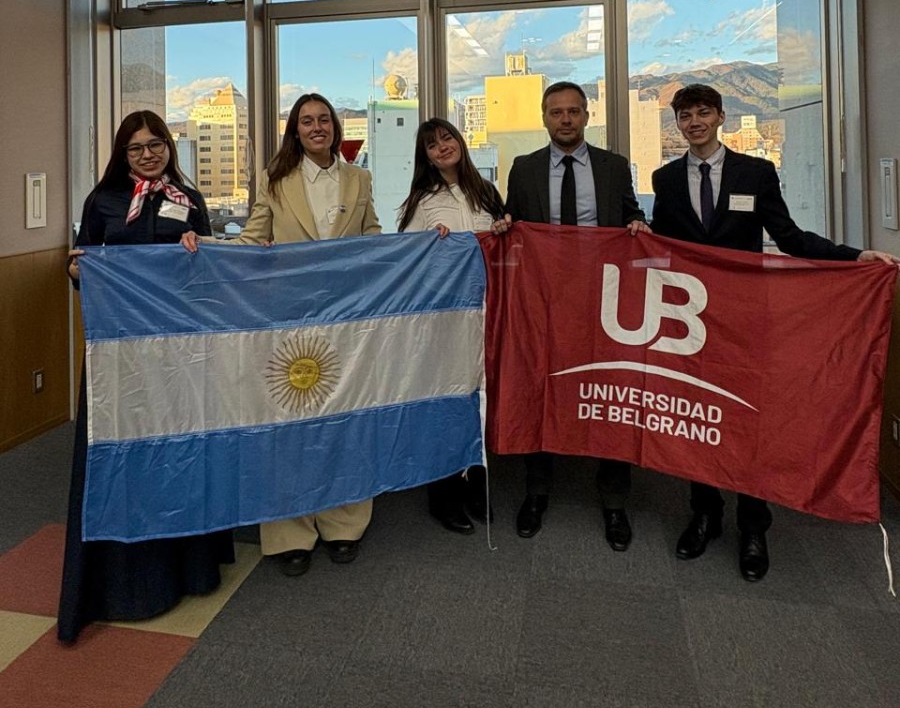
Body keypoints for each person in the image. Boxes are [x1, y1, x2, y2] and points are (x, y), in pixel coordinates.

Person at [651, 83, 900, 582]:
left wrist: (855, 256)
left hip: (745, 320)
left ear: (720, 116)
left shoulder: (755, 173)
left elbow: (788, 237)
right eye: (685, 115)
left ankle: (753, 525)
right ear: (676, 124)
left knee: (747, 419)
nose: (694, 122)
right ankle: (705, 514)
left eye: (703, 113)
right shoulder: (665, 178)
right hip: (689, 321)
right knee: (697, 412)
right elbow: (663, 247)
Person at [182, 92, 381, 578]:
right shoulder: (275, 180)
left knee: (343, 417)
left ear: (334, 127)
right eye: (307, 121)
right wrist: (203, 243)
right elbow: (252, 241)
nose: (317, 127)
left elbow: (373, 237)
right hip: (286, 317)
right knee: (286, 421)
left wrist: (422, 245)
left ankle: (343, 524)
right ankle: (290, 531)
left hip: (343, 317)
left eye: (324, 120)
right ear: (295, 131)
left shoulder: (359, 178)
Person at [59, 111, 234, 644]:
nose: (147, 154)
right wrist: (75, 271)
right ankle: (121, 583)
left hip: (178, 354)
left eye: (156, 144)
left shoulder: (189, 200)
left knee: (178, 452)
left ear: (169, 147)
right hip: (121, 357)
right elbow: (79, 268)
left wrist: (199, 254)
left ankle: (189, 569)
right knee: (121, 456)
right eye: (136, 148)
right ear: (122, 153)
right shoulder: (103, 202)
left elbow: (209, 277)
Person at [504, 81, 649, 549]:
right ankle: (536, 492)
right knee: (542, 390)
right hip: (543, 302)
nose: (565, 120)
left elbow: (631, 217)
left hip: (602, 302)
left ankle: (613, 502)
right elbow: (513, 226)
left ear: (587, 116)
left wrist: (637, 225)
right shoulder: (524, 169)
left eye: (573, 112)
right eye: (555, 112)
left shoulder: (613, 166)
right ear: (544, 118)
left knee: (609, 391)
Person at [397, 117, 507, 534]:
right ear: (423, 156)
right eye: (431, 144)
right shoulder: (422, 201)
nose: (442, 147)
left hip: (484, 314)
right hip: (443, 321)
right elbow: (408, 260)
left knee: (479, 400)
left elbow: (504, 248)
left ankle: (478, 486)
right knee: (446, 403)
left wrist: (502, 228)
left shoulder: (487, 192)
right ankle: (443, 495)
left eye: (446, 138)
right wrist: (431, 244)